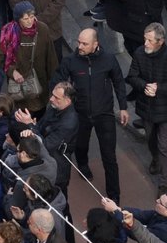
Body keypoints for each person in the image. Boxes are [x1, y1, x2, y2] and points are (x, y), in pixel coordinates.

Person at [52, 28, 128, 201]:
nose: (79, 46)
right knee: (80, 145)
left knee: (109, 156)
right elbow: (58, 82)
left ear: (96, 44)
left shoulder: (109, 59)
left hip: (105, 114)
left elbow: (118, 81)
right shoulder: (70, 61)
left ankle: (114, 196)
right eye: (79, 42)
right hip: (80, 113)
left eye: (84, 43)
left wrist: (123, 107)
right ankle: (83, 164)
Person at [126, 23, 167, 187]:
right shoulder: (140, 53)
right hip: (147, 108)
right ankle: (156, 159)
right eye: (145, 39)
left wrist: (159, 88)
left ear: (160, 41)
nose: (145, 43)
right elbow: (132, 76)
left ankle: (165, 184)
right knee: (150, 140)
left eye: (149, 40)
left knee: (164, 146)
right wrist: (144, 86)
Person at [0, 1, 59, 117]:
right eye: (25, 18)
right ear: (18, 19)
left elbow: (51, 56)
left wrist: (54, 80)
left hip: (40, 80)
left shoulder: (42, 29)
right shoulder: (8, 32)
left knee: (40, 111)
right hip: (20, 83)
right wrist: (12, 72)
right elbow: (1, 57)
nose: (30, 21)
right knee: (24, 114)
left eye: (32, 16)